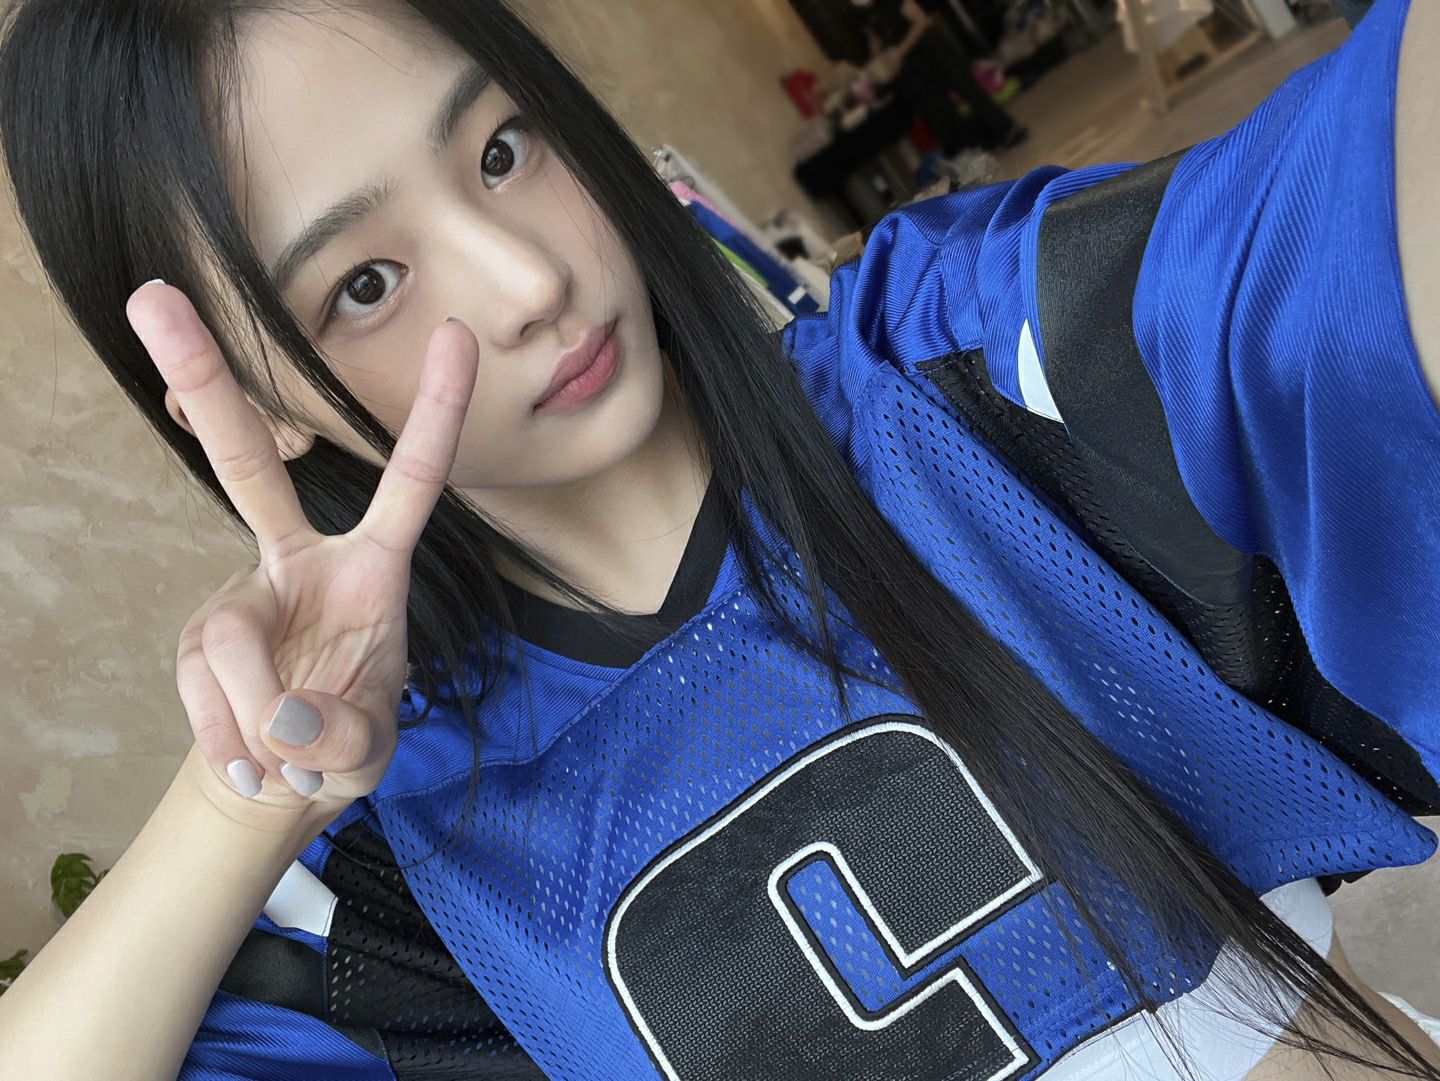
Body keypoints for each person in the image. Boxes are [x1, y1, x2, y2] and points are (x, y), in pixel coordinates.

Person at [0, 0, 1436, 1078]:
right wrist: (246, 798)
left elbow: (1336, 227)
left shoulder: (948, 385)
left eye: (501, 148)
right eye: (366, 283)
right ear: (259, 399)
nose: (526, 278)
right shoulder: (409, 860)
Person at [851, 0, 1028, 153]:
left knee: (968, 89)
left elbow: (921, 21)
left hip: (932, 49)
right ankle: (978, 146)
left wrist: (898, 53)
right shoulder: (860, 12)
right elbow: (874, 39)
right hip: (909, 66)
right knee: (939, 110)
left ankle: (1006, 130)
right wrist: (878, 65)